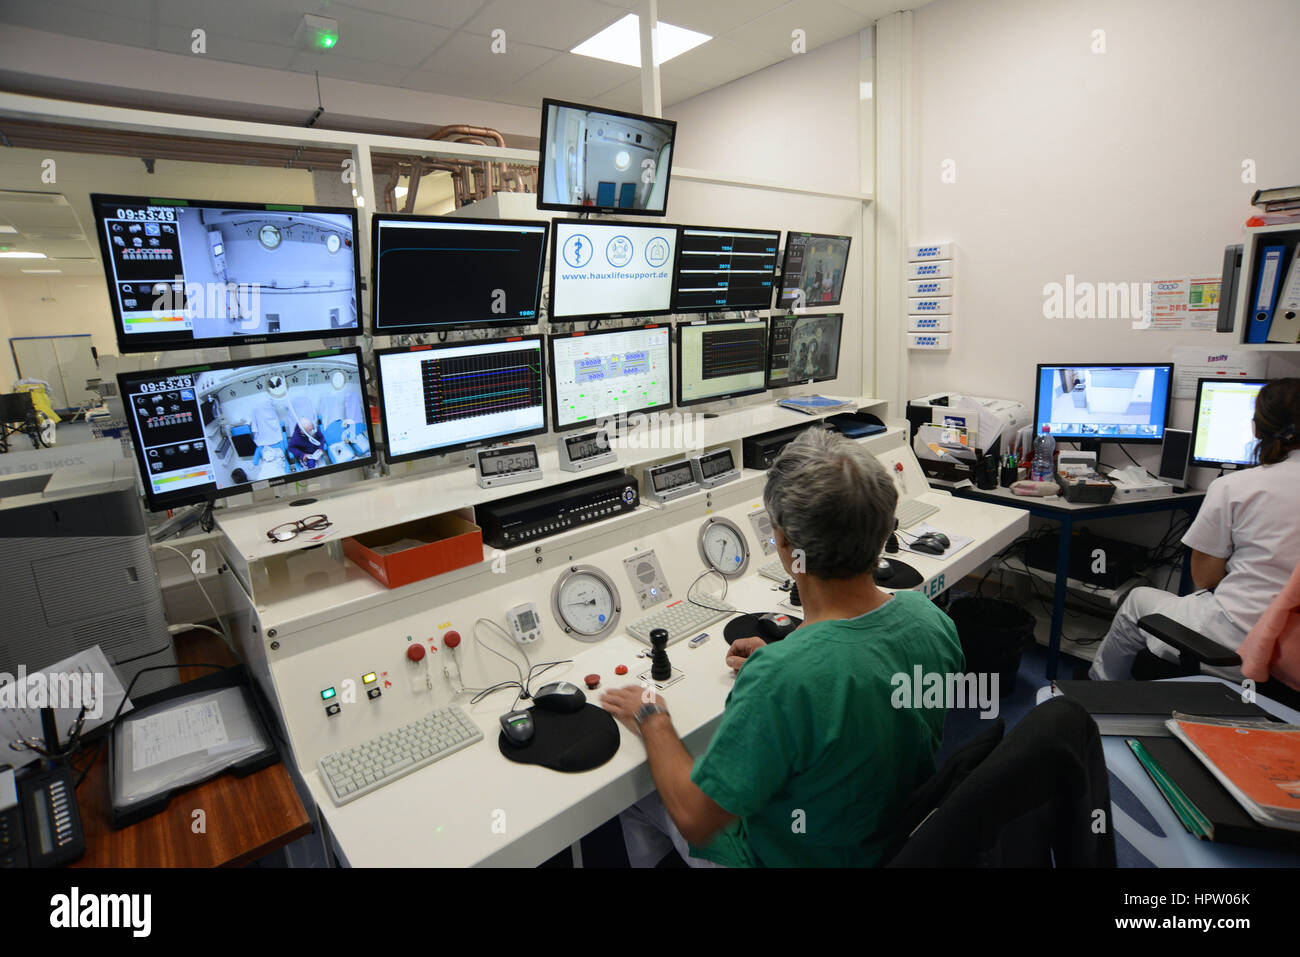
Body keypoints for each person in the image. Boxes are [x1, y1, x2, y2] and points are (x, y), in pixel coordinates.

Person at [601, 429, 964, 867]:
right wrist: (797, 650)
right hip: (885, 839)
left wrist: (652, 717)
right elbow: (862, 678)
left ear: (787, 547)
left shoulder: (781, 679)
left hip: (784, 857)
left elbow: (696, 818)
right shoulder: (932, 621)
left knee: (635, 797)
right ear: (885, 524)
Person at [1090, 378, 1300, 680]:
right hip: (1292, 656)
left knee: (1136, 600)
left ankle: (1099, 698)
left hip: (1238, 644)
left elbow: (1205, 577)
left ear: (1257, 429)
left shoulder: (1235, 486)